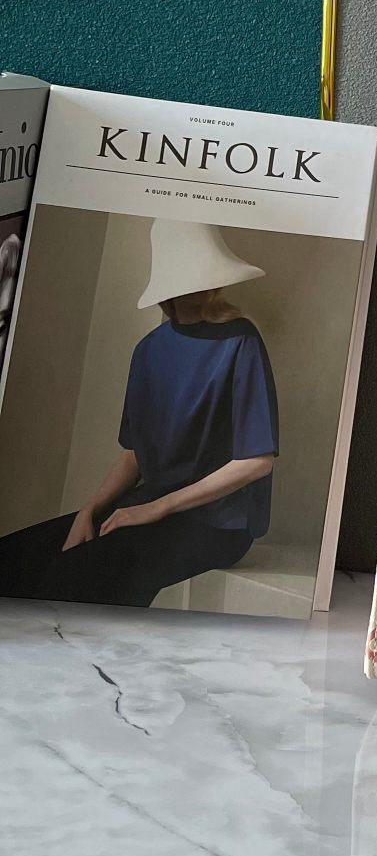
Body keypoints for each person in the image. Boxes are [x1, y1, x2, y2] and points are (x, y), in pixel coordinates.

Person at [0, 220, 278, 608]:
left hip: (217, 523)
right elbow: (134, 454)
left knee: (73, 575)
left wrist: (156, 508)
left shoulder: (240, 340)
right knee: (13, 559)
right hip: (146, 505)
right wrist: (90, 510)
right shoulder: (148, 349)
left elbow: (257, 461)